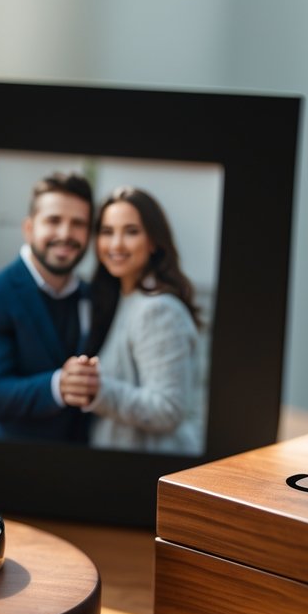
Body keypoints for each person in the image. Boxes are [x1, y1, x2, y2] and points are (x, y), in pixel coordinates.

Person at [72, 186, 202, 454]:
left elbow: (168, 409)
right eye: (107, 232)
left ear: (153, 241)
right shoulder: (121, 298)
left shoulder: (158, 310)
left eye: (131, 231)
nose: (116, 244)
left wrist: (96, 389)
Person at [0, 172, 101, 442]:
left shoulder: (91, 295)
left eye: (78, 223)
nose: (66, 234)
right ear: (29, 228)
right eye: (54, 220)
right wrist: (58, 385)